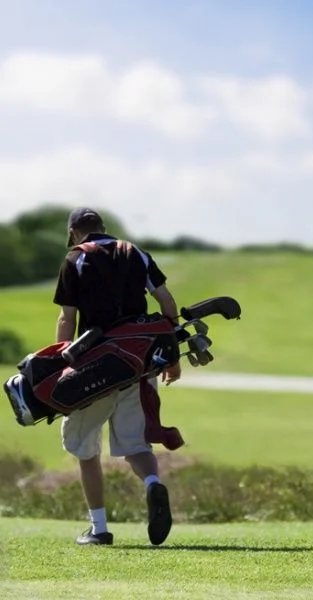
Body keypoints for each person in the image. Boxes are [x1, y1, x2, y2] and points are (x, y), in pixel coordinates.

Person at [53, 207, 182, 546]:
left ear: (74, 232)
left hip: (93, 368)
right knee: (136, 445)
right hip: (140, 365)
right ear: (103, 228)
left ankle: (99, 529)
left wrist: (59, 366)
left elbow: (67, 320)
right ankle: (153, 483)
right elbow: (167, 302)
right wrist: (172, 355)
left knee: (85, 449)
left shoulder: (76, 259)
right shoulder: (134, 252)